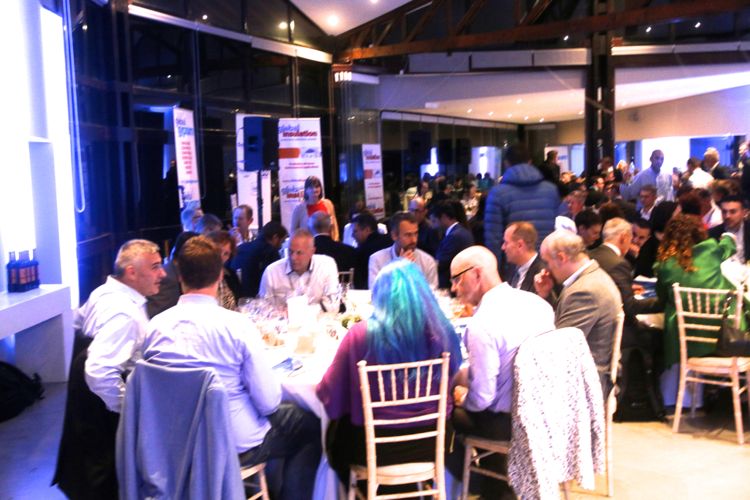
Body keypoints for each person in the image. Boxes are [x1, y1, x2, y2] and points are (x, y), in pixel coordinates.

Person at [143, 236, 321, 500]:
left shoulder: (155, 328)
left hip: (175, 444)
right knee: (309, 423)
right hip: (232, 444)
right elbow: (268, 402)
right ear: (220, 276)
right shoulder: (237, 326)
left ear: (179, 275)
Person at [316, 260, 462, 486]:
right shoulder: (443, 333)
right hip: (432, 445)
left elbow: (329, 397)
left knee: (334, 435)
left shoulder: (360, 335)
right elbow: (452, 382)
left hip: (372, 449)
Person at [53, 240, 165, 499]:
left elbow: (78, 322)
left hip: (86, 400)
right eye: (155, 267)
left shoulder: (103, 293)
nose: (163, 273)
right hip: (102, 407)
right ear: (131, 272)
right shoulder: (124, 314)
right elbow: (99, 371)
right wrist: (129, 408)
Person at [449, 246, 555, 498]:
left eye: (457, 279)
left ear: (476, 274)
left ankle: (480, 488)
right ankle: (498, 484)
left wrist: (460, 396)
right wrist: (465, 376)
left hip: (510, 424)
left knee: (447, 413)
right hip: (546, 413)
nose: (454, 288)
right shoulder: (537, 304)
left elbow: (482, 400)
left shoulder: (482, 324)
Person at [653, 214, 736, 404]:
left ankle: (675, 397)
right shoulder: (711, 250)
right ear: (699, 232)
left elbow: (662, 297)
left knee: (671, 314)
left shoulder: (665, 264)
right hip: (722, 332)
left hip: (685, 335)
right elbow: (729, 246)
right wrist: (727, 237)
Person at [534, 230, 622, 393]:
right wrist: (545, 294)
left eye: (547, 262)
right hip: (588, 375)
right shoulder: (594, 276)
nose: (546, 269)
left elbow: (558, 348)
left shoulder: (584, 291)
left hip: (584, 385)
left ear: (561, 257)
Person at [589, 218, 661, 350]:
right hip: (616, 330)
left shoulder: (590, 255)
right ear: (623, 237)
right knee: (660, 337)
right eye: (631, 237)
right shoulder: (618, 263)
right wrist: (662, 302)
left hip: (594, 325)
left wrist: (627, 288)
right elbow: (630, 307)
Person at [485, 143, 559, 267]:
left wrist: (495, 269)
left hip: (513, 266)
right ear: (530, 161)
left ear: (506, 163)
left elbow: (494, 239)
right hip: (546, 261)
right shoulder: (551, 190)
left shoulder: (497, 193)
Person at [259, 229, 339, 310]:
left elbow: (333, 303)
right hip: (281, 318)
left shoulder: (326, 265)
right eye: (290, 252)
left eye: (299, 253)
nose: (293, 258)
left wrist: (300, 312)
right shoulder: (272, 272)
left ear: (312, 251)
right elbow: (263, 307)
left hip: (318, 318)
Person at [368, 211, 437, 288]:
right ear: (394, 235)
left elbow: (431, 294)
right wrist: (399, 269)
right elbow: (376, 292)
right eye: (408, 235)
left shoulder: (428, 262)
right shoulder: (377, 260)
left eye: (416, 233)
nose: (414, 240)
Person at [231, 221, 287, 298]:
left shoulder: (241, 248)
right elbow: (278, 280)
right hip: (257, 299)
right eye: (282, 242)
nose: (280, 246)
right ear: (275, 237)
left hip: (236, 297)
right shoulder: (271, 252)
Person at [430, 200, 474, 289]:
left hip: (451, 285)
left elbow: (440, 263)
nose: (433, 226)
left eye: (434, 221)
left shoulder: (454, 236)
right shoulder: (460, 231)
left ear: (444, 217)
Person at [502, 221, 547, 293]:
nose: (503, 247)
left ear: (520, 245)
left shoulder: (543, 274)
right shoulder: (512, 269)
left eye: (506, 243)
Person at [290, 175, 339, 241]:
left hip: (328, 244)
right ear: (306, 190)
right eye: (311, 187)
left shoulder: (328, 204)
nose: (314, 189)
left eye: (317, 187)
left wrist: (335, 242)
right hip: (308, 245)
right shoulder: (299, 209)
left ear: (320, 188)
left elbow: (335, 227)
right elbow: (293, 232)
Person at [351, 211, 392, 289]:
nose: (352, 235)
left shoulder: (362, 251)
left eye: (355, 231)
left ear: (367, 230)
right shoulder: (391, 241)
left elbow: (359, 283)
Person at [708, 195, 750, 263]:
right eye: (724, 212)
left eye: (733, 212)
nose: (727, 216)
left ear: (744, 213)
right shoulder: (712, 234)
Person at [206, 230, 241, 310]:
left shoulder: (230, 274)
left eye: (226, 254)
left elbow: (239, 302)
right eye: (218, 251)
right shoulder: (199, 275)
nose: (221, 257)